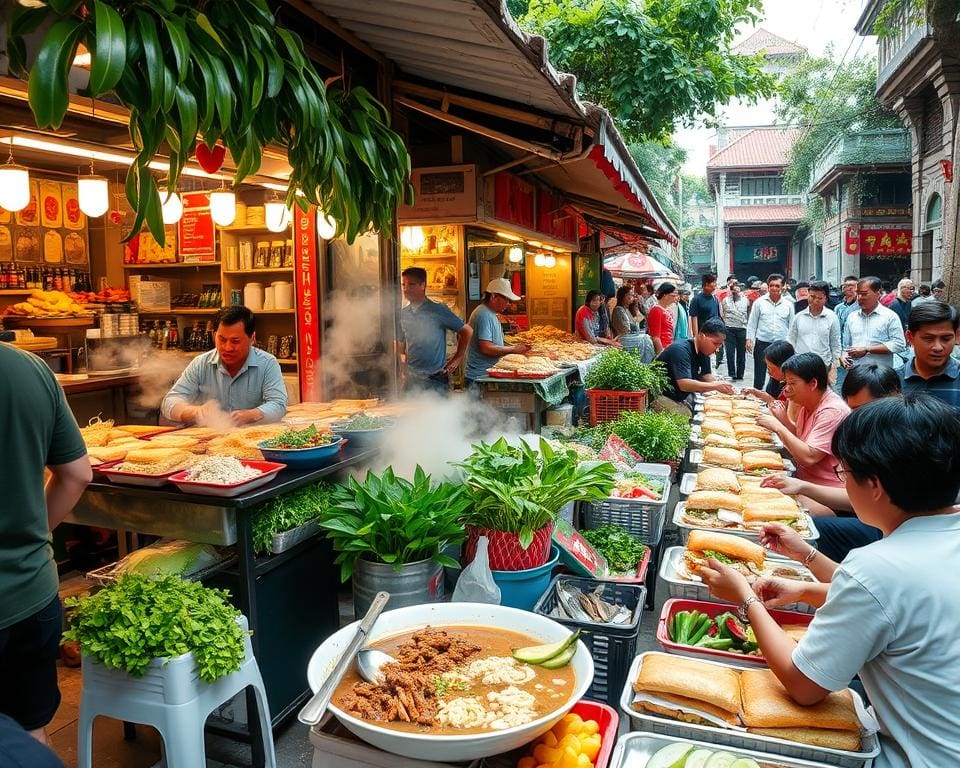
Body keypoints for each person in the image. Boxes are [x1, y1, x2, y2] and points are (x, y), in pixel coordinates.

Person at [699, 394, 960, 768]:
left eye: (845, 472)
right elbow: (900, 603)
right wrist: (805, 564)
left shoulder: (877, 567)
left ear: (875, 486)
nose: (843, 482)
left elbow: (803, 686)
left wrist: (745, 599)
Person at [0, 344, 92, 746]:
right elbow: (77, 475)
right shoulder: (30, 369)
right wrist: (34, 535)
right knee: (31, 728)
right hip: (31, 593)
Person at [761, 363, 902, 561]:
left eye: (866, 409)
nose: (860, 417)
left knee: (804, 527)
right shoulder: (861, 430)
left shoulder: (901, 441)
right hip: (867, 516)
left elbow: (810, 458)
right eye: (854, 410)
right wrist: (801, 486)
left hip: (891, 532)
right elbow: (856, 497)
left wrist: (803, 487)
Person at [161, 306, 288, 425]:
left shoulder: (267, 363)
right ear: (213, 335)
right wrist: (194, 412)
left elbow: (278, 405)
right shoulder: (201, 363)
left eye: (235, 341)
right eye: (222, 339)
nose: (227, 348)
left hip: (251, 438)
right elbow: (170, 401)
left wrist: (253, 414)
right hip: (207, 438)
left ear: (252, 338)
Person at [757, 353, 850, 490]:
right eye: (786, 383)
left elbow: (809, 457)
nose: (786, 390)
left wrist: (778, 427)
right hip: (803, 480)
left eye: (792, 383)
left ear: (813, 383)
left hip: (824, 489)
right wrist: (783, 421)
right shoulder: (808, 403)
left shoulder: (832, 411)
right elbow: (801, 438)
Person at [397, 267, 473, 395]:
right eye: (403, 285)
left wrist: (458, 358)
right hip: (412, 380)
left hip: (435, 380)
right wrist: (401, 361)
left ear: (423, 285)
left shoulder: (438, 310)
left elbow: (467, 331)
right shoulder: (403, 314)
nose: (406, 289)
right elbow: (400, 341)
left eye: (411, 284)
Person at [653, 317, 734, 413]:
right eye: (715, 344)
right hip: (660, 395)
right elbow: (684, 384)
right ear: (702, 336)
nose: (717, 349)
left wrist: (725, 387)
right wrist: (715, 386)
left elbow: (705, 375)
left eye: (720, 345)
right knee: (685, 415)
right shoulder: (680, 350)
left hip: (680, 396)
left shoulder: (704, 351)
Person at [465, 277, 532, 385]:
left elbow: (495, 343)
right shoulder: (483, 314)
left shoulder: (490, 313)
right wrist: (513, 349)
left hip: (486, 376)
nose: (508, 303)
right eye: (506, 299)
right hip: (479, 377)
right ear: (494, 297)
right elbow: (486, 348)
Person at [900, 300, 960, 407]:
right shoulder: (893, 381)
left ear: (956, 336)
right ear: (910, 338)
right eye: (928, 339)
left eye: (946, 339)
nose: (938, 347)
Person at [839, 276, 906, 372]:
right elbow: (846, 346)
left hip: (881, 375)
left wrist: (867, 349)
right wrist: (844, 356)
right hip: (856, 374)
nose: (860, 298)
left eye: (864, 294)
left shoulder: (890, 317)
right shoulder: (852, 317)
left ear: (877, 294)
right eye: (858, 294)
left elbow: (899, 344)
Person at [746, 273, 794, 392]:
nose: (774, 288)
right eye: (771, 285)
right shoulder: (759, 302)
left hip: (781, 345)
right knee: (759, 374)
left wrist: (792, 344)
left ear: (783, 287)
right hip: (762, 343)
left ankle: (775, 397)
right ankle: (756, 397)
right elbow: (752, 322)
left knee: (779, 375)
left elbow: (792, 326)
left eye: (777, 286)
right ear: (768, 287)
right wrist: (749, 339)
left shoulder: (789, 305)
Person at [787, 280, 841, 380]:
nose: (815, 301)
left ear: (826, 298)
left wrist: (834, 367)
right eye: (812, 296)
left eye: (819, 298)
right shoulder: (798, 317)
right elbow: (791, 341)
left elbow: (835, 344)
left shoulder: (832, 317)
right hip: (800, 365)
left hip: (823, 366)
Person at [744, 340, 796, 410]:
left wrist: (766, 398)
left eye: (772, 368)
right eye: (768, 368)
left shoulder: (794, 388)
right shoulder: (775, 380)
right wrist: (755, 392)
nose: (769, 372)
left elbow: (784, 412)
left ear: (785, 366)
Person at [719, 280, 749, 381]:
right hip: (729, 328)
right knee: (730, 352)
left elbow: (748, 313)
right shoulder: (725, 300)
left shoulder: (746, 300)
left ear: (740, 289)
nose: (735, 291)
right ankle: (732, 373)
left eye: (737, 289)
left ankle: (740, 374)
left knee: (741, 352)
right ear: (730, 290)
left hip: (742, 329)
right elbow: (722, 314)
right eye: (733, 289)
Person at [646, 282, 678, 354]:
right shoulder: (656, 310)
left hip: (669, 347)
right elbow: (655, 337)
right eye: (673, 295)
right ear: (665, 295)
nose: (675, 298)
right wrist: (661, 354)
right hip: (662, 349)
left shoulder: (668, 310)